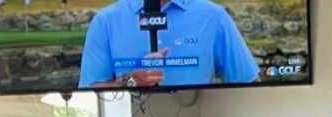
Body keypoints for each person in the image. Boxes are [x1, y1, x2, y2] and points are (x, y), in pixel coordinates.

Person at [79, 0, 260, 89]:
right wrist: (129, 81)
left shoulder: (214, 17)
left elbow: (249, 86)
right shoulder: (105, 22)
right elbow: (90, 93)